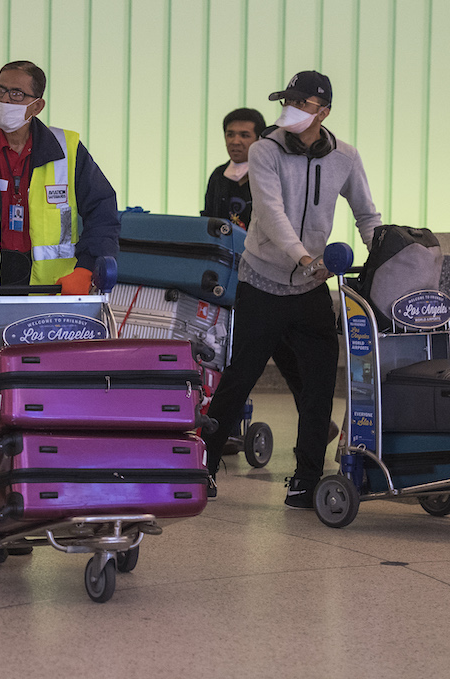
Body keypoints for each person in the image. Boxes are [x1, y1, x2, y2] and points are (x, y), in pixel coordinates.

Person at [202, 71, 382, 507]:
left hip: (311, 289)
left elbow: (367, 216)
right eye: (288, 101)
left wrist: (384, 256)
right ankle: (200, 467)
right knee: (240, 378)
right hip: (262, 282)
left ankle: (306, 478)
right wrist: (303, 257)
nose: (291, 110)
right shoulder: (265, 150)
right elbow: (272, 211)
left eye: (301, 104)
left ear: (323, 112)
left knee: (320, 383)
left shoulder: (346, 157)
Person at [0, 60, 120, 343]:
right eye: (0, 90)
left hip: (51, 292)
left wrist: (87, 268)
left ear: (37, 106)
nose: (4, 99)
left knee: (46, 381)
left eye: (16, 93)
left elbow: (103, 212)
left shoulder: (68, 148)